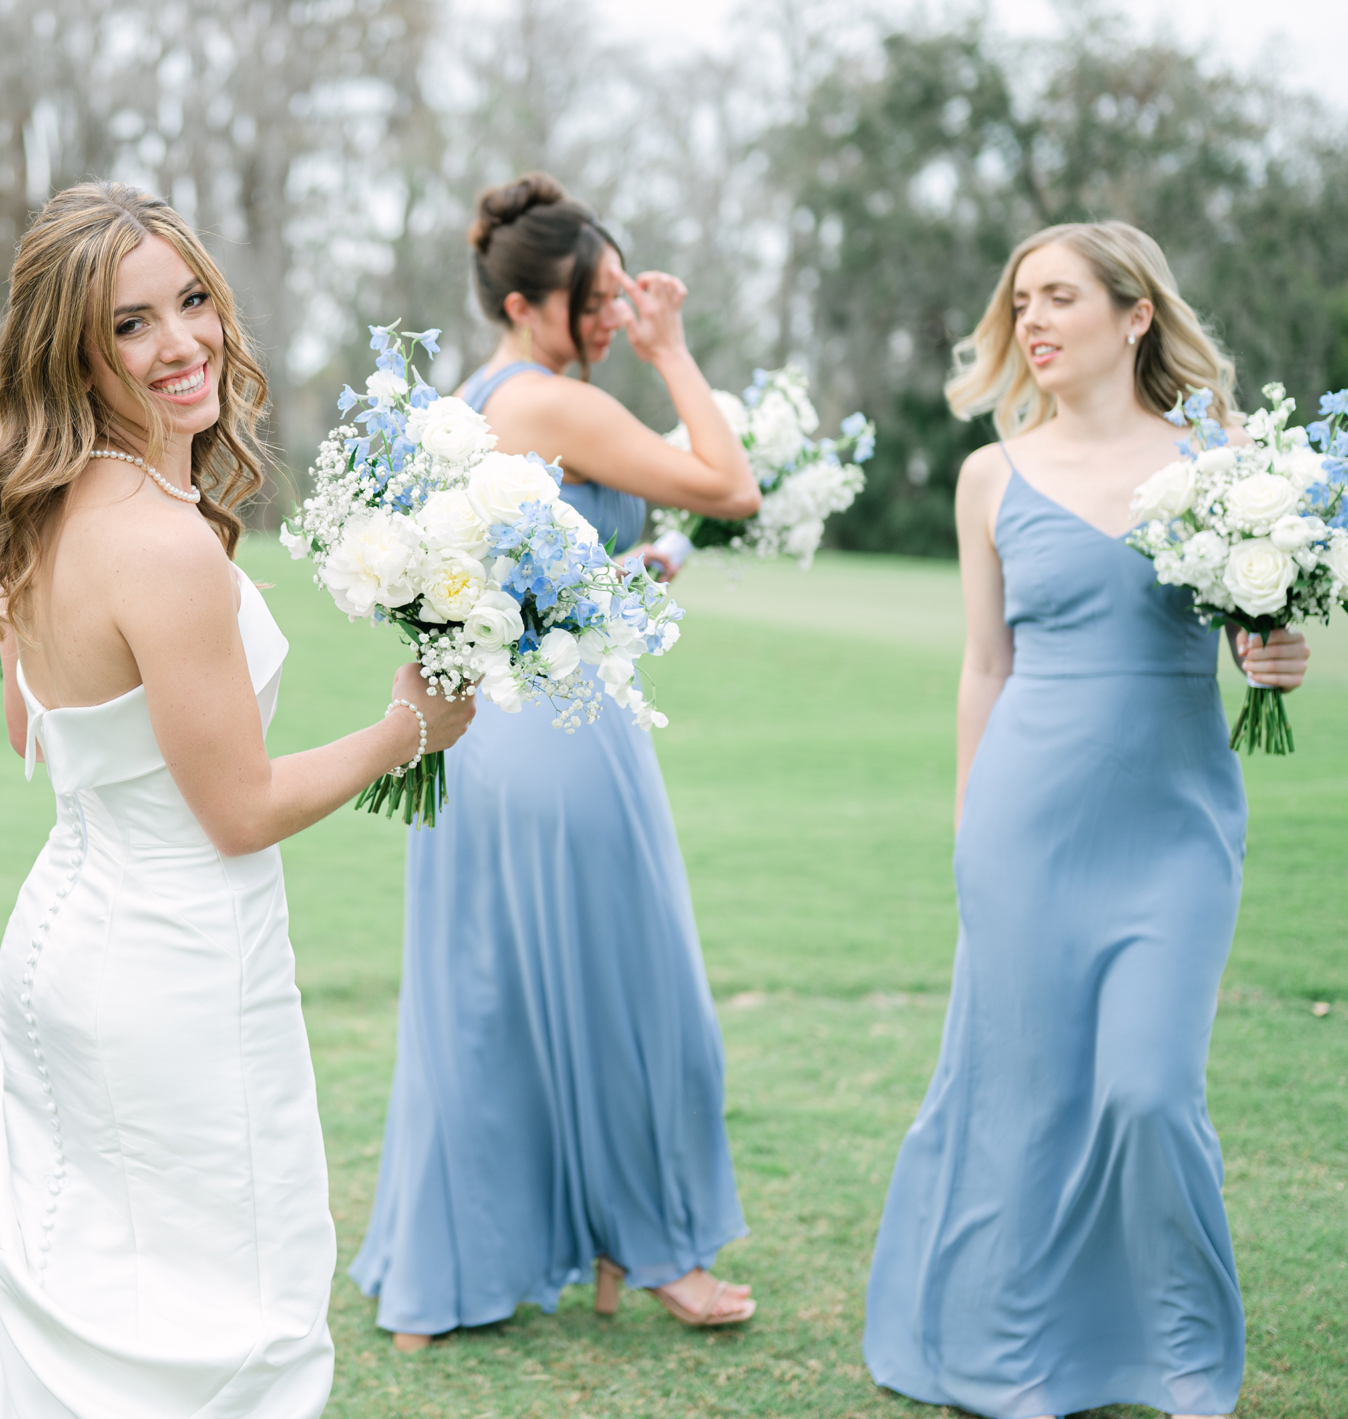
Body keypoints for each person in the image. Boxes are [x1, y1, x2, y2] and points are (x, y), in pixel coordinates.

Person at [0, 182, 477, 1417]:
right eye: (131, 324)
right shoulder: (163, 541)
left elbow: (38, 721)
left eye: (191, 302)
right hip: (173, 962)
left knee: (102, 1296)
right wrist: (410, 728)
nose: (180, 343)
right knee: (226, 1316)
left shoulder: (46, 509)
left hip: (67, 940)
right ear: (75, 351)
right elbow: (234, 809)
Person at [864, 221, 1309, 1419]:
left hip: (1174, 825)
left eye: (1059, 296)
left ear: (1136, 314)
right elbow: (983, 667)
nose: (1033, 321)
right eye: (1021, 303)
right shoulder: (990, 476)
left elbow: (1254, 627)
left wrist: (1275, 649)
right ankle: (1011, 1355)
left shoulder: (1222, 465)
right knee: (1026, 1093)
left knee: (1150, 1092)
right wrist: (968, 830)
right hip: (1021, 827)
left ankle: (1181, 1359)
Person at [352, 173, 764, 1350]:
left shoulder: (469, 399)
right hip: (565, 733)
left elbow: (516, 588)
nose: (614, 319)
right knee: (640, 995)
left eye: (624, 298)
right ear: (531, 302)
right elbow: (729, 483)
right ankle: (661, 1247)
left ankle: (474, 1259)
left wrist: (626, 575)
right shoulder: (554, 401)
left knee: (487, 997)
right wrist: (676, 352)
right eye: (599, 300)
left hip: (482, 727)